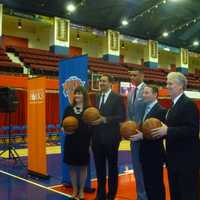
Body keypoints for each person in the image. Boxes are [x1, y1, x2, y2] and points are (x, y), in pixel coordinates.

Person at [151, 72, 200, 200]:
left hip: (186, 161)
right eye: (167, 83)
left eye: (170, 83)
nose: (167, 86)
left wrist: (168, 131)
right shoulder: (174, 105)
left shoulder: (188, 104)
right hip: (174, 160)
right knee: (176, 194)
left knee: (187, 194)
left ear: (180, 86)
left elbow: (192, 130)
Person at [91, 74, 126, 200]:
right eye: (100, 81)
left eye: (104, 81)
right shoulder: (97, 96)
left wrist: (105, 119)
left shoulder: (117, 98)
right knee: (99, 168)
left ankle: (111, 195)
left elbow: (122, 117)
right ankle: (100, 194)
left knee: (112, 168)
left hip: (111, 138)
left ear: (111, 83)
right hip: (97, 139)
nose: (101, 83)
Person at [130, 85, 166, 200]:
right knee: (148, 184)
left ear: (155, 95)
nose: (143, 95)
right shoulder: (145, 109)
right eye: (143, 93)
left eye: (146, 93)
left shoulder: (161, 111)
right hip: (145, 153)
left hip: (155, 154)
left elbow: (161, 134)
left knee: (157, 184)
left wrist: (142, 136)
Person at [62, 86, 91, 200]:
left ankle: (82, 191)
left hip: (84, 142)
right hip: (71, 141)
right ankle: (74, 190)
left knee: (83, 167)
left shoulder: (89, 109)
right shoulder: (68, 109)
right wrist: (64, 130)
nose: (77, 96)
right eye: (76, 94)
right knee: (72, 167)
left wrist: (91, 144)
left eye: (80, 93)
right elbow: (62, 125)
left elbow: (93, 126)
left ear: (84, 95)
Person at [127, 68, 148, 200]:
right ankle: (140, 196)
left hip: (145, 137)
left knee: (146, 168)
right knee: (136, 168)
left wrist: (143, 130)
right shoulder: (130, 93)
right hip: (133, 137)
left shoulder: (147, 90)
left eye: (135, 75)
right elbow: (129, 115)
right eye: (130, 75)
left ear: (142, 75)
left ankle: (147, 195)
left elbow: (150, 111)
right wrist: (127, 128)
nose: (132, 77)